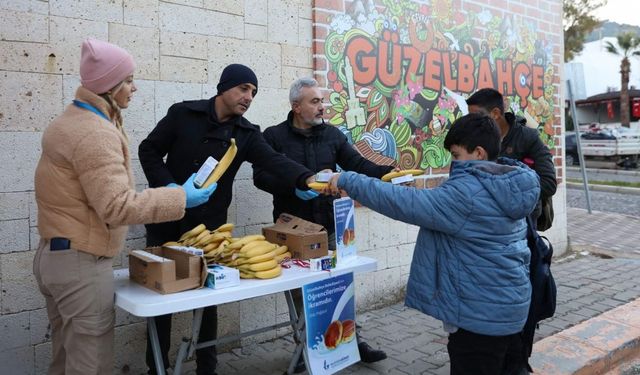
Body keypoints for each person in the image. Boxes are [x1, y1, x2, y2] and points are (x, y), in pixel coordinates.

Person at [33, 39, 216, 375]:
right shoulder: (94, 133)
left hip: (55, 257)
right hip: (80, 266)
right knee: (91, 366)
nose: (135, 87)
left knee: (64, 359)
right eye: (129, 80)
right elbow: (116, 206)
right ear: (109, 86)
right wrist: (181, 198)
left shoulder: (70, 121)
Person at [327, 113, 539, 375]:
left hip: (479, 321)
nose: (453, 162)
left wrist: (348, 180)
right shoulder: (509, 183)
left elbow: (405, 203)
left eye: (456, 155)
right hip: (512, 311)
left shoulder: (467, 195)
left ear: (479, 153)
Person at [138, 64, 317, 375]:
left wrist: (306, 179)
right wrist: (169, 188)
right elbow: (149, 150)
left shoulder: (245, 134)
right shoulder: (183, 115)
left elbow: (274, 161)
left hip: (207, 229)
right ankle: (157, 367)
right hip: (166, 221)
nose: (249, 97)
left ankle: (207, 367)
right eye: (244, 88)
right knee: (161, 301)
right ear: (224, 87)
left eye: (254, 93)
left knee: (208, 299)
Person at [252, 77, 391, 372]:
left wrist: (388, 173)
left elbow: (358, 164)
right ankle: (305, 348)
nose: (322, 107)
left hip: (329, 227)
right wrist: (293, 187)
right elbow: (260, 176)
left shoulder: (332, 135)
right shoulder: (274, 136)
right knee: (302, 293)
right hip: (292, 233)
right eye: (314, 101)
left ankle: (352, 341)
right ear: (296, 106)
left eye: (322, 101)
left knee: (340, 287)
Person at [466, 88, 557, 227]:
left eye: (477, 117)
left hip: (522, 226)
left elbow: (548, 184)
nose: (472, 123)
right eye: (469, 118)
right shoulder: (476, 140)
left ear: (495, 113)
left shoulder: (528, 138)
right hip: (485, 223)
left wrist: (503, 195)